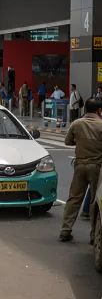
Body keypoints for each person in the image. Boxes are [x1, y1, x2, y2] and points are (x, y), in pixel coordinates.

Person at [59, 99, 102, 242]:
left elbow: (67, 142)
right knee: (94, 201)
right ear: (99, 111)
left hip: (80, 165)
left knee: (74, 198)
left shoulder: (76, 123)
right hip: (96, 167)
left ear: (85, 110)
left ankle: (65, 230)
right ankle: (93, 236)